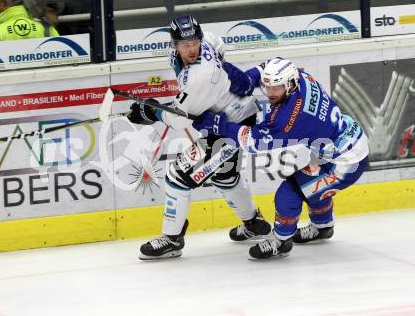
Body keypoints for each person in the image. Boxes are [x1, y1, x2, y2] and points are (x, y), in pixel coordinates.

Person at [193, 57, 369, 260]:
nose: (270, 93)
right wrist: (249, 78)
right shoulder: (302, 77)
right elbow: (269, 65)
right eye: (267, 86)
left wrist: (219, 125)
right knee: (311, 186)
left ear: (290, 84)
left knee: (289, 193)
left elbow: (253, 142)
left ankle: (281, 242)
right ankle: (323, 227)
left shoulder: (290, 119)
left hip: (346, 163)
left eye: (276, 87)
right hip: (344, 143)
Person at [126, 15, 271, 260]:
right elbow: (218, 45)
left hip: (230, 126)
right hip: (237, 114)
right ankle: (254, 224)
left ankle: (172, 239)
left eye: (194, 43)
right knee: (225, 176)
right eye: (185, 45)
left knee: (177, 177)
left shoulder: (198, 76)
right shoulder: (206, 44)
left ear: (199, 40)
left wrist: (151, 112)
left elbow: (180, 118)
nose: (191, 49)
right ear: (174, 44)